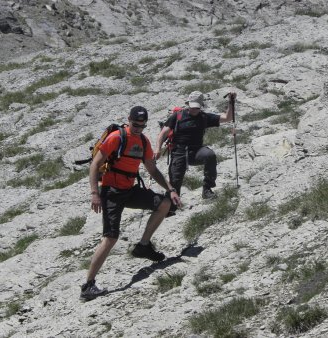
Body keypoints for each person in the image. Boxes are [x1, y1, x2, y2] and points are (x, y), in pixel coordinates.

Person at [80, 106, 181, 301]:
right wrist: (95, 193)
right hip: (111, 193)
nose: (138, 129)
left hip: (130, 190)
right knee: (111, 238)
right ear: (129, 120)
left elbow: (152, 169)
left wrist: (171, 189)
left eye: (142, 126)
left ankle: (143, 246)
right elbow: (94, 165)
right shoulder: (116, 138)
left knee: (164, 204)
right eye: (135, 125)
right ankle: (88, 285)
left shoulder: (143, 141)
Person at [154, 91, 236, 200]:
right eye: (192, 107)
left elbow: (227, 118)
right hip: (179, 152)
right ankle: (171, 205)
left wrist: (231, 101)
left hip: (196, 151)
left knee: (209, 155)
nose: (194, 109)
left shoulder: (204, 117)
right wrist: (157, 148)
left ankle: (207, 190)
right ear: (188, 104)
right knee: (175, 182)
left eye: (196, 107)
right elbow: (163, 133)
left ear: (201, 106)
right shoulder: (177, 116)